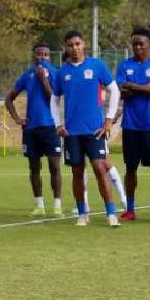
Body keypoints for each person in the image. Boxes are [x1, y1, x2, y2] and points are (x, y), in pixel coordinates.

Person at [50, 30, 121, 227]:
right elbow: (54, 100)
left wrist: (108, 120)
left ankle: (111, 213)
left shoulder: (97, 66)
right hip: (72, 132)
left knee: (100, 168)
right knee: (77, 172)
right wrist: (58, 124)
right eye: (71, 45)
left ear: (84, 45)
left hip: (95, 130)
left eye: (78, 44)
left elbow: (114, 90)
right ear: (66, 48)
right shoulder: (62, 72)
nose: (75, 48)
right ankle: (82, 214)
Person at [5, 42, 63, 216]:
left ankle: (57, 204)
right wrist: (17, 119)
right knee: (34, 167)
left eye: (45, 54)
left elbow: (53, 98)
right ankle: (39, 205)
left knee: (54, 166)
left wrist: (43, 79)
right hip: (31, 128)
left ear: (50, 57)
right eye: (39, 54)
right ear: (34, 56)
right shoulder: (27, 74)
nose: (42, 58)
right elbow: (9, 98)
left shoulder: (55, 73)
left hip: (50, 126)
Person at [115, 27, 150, 221]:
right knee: (130, 168)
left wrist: (133, 85)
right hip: (130, 126)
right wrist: (148, 86)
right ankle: (130, 209)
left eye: (141, 44)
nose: (137, 47)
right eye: (134, 44)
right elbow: (122, 92)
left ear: (149, 44)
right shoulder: (124, 65)